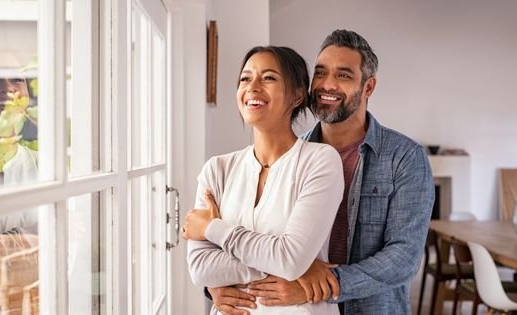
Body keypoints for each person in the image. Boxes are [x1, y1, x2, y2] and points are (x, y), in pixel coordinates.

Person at [208, 30, 435, 315]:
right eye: (320, 72)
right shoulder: (290, 153)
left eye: (344, 75)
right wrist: (217, 283)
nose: (328, 84)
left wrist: (325, 284)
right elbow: (258, 237)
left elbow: (404, 257)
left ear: (368, 88)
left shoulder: (404, 158)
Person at [182, 46, 345, 315]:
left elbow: (290, 259)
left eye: (268, 78)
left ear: (297, 96)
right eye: (245, 79)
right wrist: (294, 265)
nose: (253, 87)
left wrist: (212, 228)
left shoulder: (320, 161)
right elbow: (200, 268)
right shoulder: (217, 170)